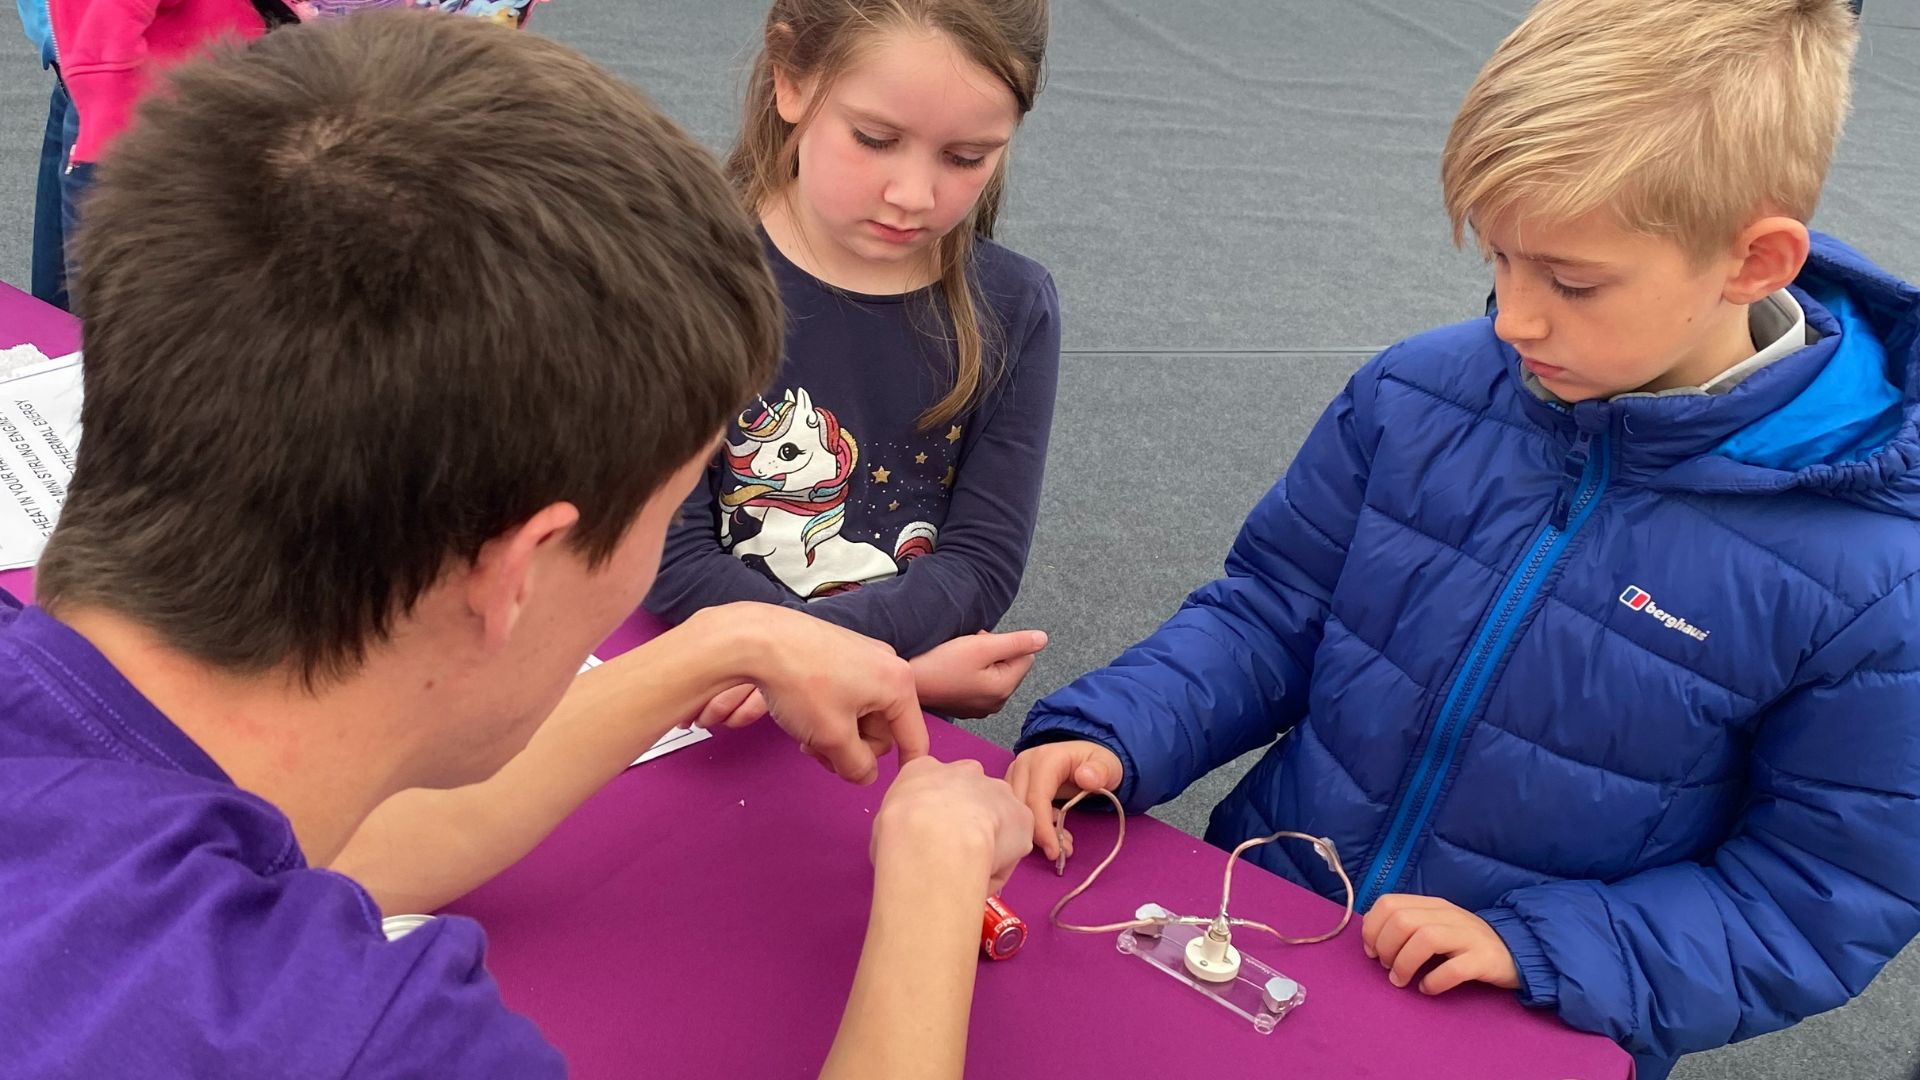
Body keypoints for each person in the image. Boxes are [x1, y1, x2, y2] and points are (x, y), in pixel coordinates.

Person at [0, 13, 1029, 1079]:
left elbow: (338, 848)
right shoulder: (365, 1043)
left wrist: (721, 641)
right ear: (518, 574)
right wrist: (934, 883)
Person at [1007, 2, 1919, 1076]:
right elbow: (1272, 611)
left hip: (1514, 1023)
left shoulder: (1876, 575)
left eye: (1571, 282)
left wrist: (1540, 949)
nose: (1512, 321)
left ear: (1754, 261)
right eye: (1499, 259)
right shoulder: (1416, 393)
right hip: (1267, 928)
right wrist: (1123, 726)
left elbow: (1819, 894)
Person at [644, 0, 1061, 724]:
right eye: (874, 139)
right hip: (697, 699)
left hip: (859, 712)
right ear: (790, 77)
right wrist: (896, 674)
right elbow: (662, 554)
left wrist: (813, 667)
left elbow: (980, 564)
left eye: (967, 159)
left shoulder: (1014, 306)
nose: (913, 195)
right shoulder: (680, 273)